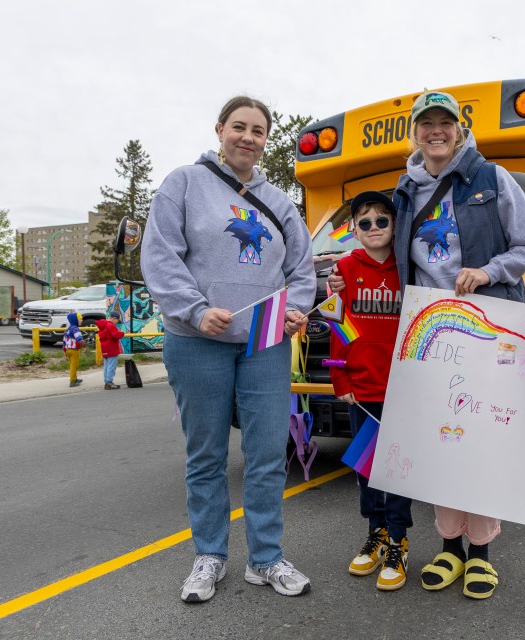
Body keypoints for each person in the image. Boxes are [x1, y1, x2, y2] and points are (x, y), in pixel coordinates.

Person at [330, 89, 525, 599]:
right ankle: (449, 548)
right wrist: (344, 281)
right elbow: (385, 257)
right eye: (426, 124)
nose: (436, 132)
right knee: (442, 441)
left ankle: (482, 554)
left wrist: (489, 270)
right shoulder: (405, 190)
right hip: (428, 333)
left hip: (488, 324)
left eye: (444, 123)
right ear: (416, 133)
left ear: (459, 129)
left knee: (482, 441)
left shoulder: (493, 180)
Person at [141, 96, 317, 603]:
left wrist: (295, 308)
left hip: (264, 342)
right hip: (198, 342)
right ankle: (209, 556)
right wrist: (196, 309)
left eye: (258, 130)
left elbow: (301, 269)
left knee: (265, 455)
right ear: (220, 130)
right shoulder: (183, 184)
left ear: (266, 140)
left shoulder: (280, 202)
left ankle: (265, 559)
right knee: (206, 456)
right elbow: (160, 255)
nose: (248, 137)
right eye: (238, 127)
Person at [331, 191, 414, 592]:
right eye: (365, 222)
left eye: (383, 221)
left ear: (395, 226)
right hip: (361, 386)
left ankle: (398, 538)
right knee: (367, 468)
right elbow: (338, 325)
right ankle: (376, 532)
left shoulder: (410, 268)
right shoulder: (344, 268)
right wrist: (340, 379)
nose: (374, 228)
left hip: (404, 386)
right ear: (354, 230)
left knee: (397, 469)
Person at [95, 310, 125, 390]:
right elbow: (116, 335)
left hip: (104, 349)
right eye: (117, 321)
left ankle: (106, 381)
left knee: (106, 366)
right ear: (114, 318)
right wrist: (122, 333)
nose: (117, 323)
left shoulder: (103, 326)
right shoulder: (111, 326)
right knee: (112, 366)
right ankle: (109, 382)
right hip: (112, 348)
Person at [63, 312, 84, 388]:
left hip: (68, 349)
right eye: (80, 319)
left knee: (74, 365)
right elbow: (79, 338)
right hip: (74, 350)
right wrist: (84, 345)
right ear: (75, 320)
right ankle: (72, 381)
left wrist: (64, 350)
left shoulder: (68, 329)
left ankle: (75, 378)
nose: (81, 320)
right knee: (73, 365)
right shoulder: (75, 328)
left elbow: (64, 341)